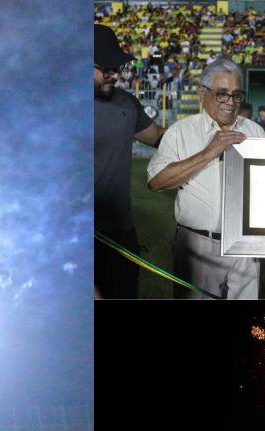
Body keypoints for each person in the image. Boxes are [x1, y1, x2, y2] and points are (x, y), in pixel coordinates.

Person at [146, 58, 265, 299]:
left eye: (236, 95)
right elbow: (156, 181)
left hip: (246, 246)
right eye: (222, 94)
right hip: (199, 246)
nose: (230, 103)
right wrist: (209, 152)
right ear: (202, 93)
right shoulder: (181, 131)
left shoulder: (255, 131)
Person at [94, 23, 165, 298]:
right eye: (106, 68)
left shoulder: (126, 103)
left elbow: (158, 136)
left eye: (117, 68)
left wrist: (205, 132)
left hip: (121, 234)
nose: (114, 75)